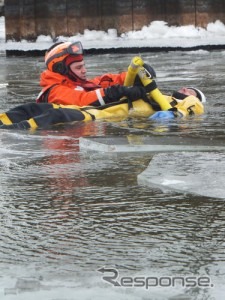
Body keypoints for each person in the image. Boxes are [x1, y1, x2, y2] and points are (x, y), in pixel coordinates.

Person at [0, 53, 205, 130]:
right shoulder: (55, 89)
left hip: (99, 114)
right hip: (95, 109)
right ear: (64, 69)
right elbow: (92, 91)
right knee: (30, 109)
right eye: (79, 68)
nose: (186, 89)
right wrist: (122, 88)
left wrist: (171, 115)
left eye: (192, 91)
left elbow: (104, 82)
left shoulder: (182, 101)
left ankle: (8, 131)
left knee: (52, 114)